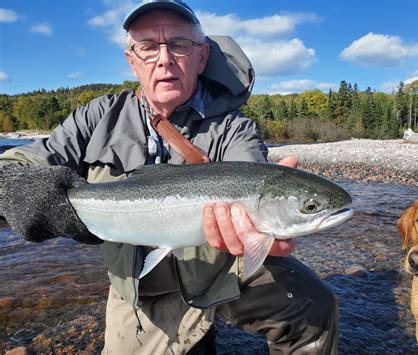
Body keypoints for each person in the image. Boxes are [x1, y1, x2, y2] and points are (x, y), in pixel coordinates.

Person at [0, 1, 339, 353]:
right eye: (148, 47)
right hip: (138, 285)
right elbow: (14, 165)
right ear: (132, 60)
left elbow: (248, 170)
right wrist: (17, 188)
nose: (164, 59)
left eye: (179, 45)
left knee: (315, 307)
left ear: (202, 57)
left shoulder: (234, 128)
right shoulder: (97, 117)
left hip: (218, 270)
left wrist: (257, 226)